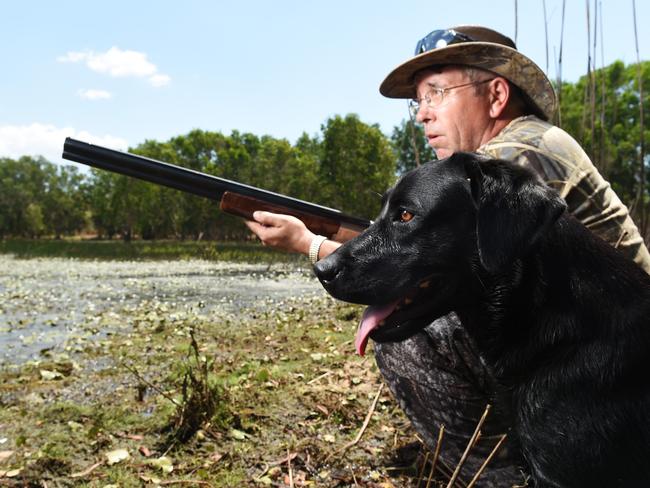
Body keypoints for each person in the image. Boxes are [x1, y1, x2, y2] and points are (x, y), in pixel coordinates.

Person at [246, 25, 650, 485]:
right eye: (417, 101)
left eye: (436, 93)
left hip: (616, 370)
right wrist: (348, 233)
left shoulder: (521, 151)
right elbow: (423, 244)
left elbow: (435, 260)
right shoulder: (480, 175)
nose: (422, 115)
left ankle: (502, 477)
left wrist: (310, 243)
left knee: (420, 335)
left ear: (496, 95)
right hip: (592, 353)